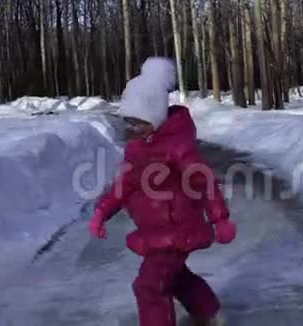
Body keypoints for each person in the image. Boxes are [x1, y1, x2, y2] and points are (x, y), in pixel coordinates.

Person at [88, 57, 236, 326]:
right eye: (129, 123)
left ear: (155, 116)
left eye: (139, 122)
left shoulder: (177, 147)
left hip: (176, 230)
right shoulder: (137, 148)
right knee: (176, 276)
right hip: (156, 230)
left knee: (150, 286)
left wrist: (220, 218)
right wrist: (102, 212)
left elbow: (203, 181)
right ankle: (209, 311)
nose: (133, 129)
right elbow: (124, 185)